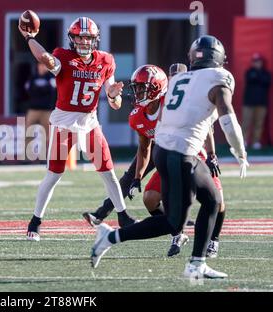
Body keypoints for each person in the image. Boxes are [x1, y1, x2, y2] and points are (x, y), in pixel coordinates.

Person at [90, 35, 248, 279]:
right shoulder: (219, 77)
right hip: (180, 153)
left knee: (213, 201)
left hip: (169, 150)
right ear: (218, 59)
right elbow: (227, 118)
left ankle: (197, 264)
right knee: (174, 221)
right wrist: (240, 151)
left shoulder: (181, 79)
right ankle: (109, 237)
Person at [19, 16, 137, 242]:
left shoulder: (105, 60)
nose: (84, 41)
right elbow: (44, 58)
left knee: (108, 172)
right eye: (80, 37)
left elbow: (115, 100)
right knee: (54, 175)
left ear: (95, 39)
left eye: (88, 37)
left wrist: (113, 95)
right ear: (72, 39)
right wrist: (29, 38)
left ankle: (123, 216)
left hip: (89, 122)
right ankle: (35, 221)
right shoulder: (64, 56)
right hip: (63, 122)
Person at [24, 62, 56, 158]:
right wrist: (42, 90)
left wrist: (38, 90)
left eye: (44, 66)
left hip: (47, 110)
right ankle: (27, 157)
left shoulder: (51, 78)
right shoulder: (32, 77)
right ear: (37, 66)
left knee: (47, 135)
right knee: (28, 133)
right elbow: (29, 90)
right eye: (40, 65)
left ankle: (47, 156)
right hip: (33, 109)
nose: (42, 67)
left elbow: (52, 91)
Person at [242, 53, 271, 150]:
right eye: (255, 61)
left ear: (262, 62)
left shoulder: (266, 73)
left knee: (258, 123)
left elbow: (266, 81)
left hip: (262, 102)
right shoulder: (249, 72)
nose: (257, 63)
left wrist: (258, 76)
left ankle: (256, 142)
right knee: (246, 123)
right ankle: (244, 141)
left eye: (258, 61)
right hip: (248, 102)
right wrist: (258, 77)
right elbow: (250, 79)